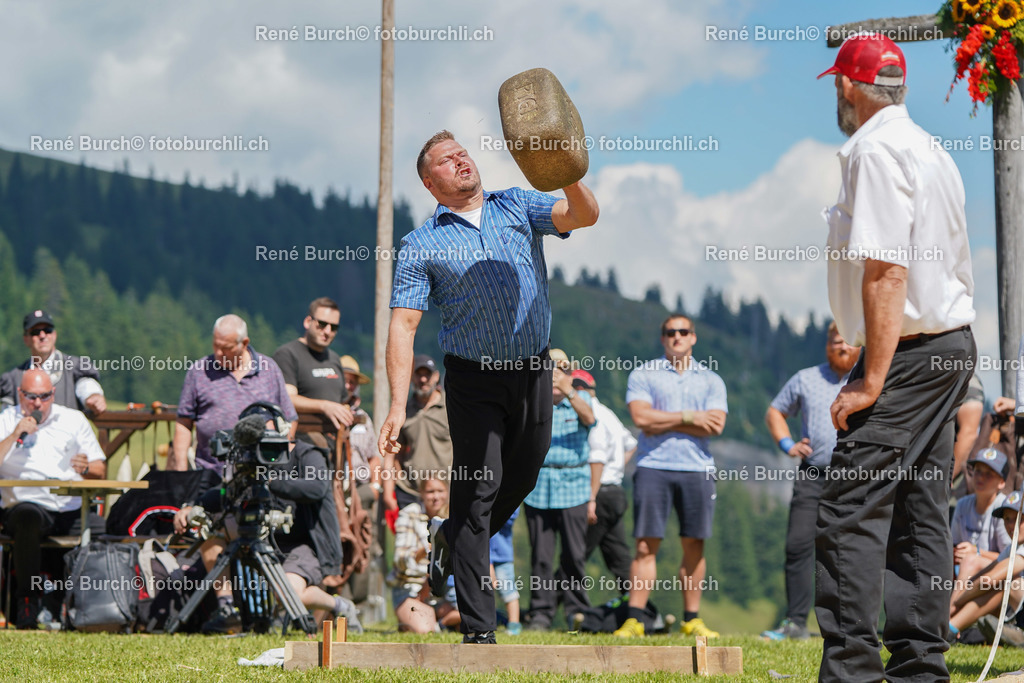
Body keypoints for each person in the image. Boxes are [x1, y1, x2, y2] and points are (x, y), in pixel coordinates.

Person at [379, 129, 599, 644]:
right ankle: (480, 631)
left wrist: (568, 171)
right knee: (477, 491)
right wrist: (395, 405)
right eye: (446, 160)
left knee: (519, 479)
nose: (461, 161)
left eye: (462, 153)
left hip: (532, 372)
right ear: (431, 183)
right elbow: (403, 326)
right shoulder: (420, 244)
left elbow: (582, 215)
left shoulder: (517, 205)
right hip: (473, 380)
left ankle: (449, 538)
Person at [815, 33, 977, 681]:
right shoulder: (931, 150)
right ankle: (918, 666)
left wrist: (870, 377)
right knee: (919, 507)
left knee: (850, 506)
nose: (838, 95)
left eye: (838, 85)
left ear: (849, 87)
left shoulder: (875, 150)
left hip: (906, 354)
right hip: (947, 345)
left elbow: (887, 269)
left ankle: (853, 670)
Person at [172, 403, 360, 635]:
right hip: (263, 540)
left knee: (288, 591)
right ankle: (227, 608)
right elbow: (224, 493)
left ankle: (341, 606)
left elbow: (317, 488)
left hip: (303, 545)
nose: (262, 437)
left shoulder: (307, 454)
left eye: (267, 429)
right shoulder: (249, 462)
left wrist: (271, 481)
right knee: (213, 534)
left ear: (282, 428)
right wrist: (192, 507)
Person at [614, 314, 727, 639]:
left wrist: (662, 419)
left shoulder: (711, 379)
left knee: (694, 544)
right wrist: (692, 417)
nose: (676, 336)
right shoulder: (644, 373)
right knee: (646, 545)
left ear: (693, 337)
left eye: (683, 332)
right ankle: (635, 619)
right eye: (669, 332)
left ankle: (691, 619)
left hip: (697, 469)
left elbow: (716, 424)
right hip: (653, 467)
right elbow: (640, 418)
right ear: (663, 338)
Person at [760, 322, 860, 641]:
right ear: (826, 345)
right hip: (813, 474)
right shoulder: (806, 378)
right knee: (799, 545)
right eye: (834, 341)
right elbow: (775, 411)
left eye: (846, 341)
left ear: (858, 344)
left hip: (857, 477)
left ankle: (851, 624)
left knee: (850, 549)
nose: (841, 347)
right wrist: (787, 445)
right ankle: (795, 623)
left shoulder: (869, 378)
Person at [0, 369, 107, 628]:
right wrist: (15, 434)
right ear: (19, 394)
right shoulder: (6, 419)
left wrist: (85, 468)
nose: (38, 403)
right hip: (23, 507)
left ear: (53, 394)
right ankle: (27, 602)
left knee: (107, 530)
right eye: (31, 397)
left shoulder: (73, 419)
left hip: (68, 507)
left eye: (44, 396)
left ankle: (96, 608)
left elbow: (99, 470)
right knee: (28, 516)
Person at [169, 314, 297, 473]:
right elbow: (184, 423)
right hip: (210, 472)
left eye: (226, 348)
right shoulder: (199, 371)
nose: (219, 353)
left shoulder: (269, 369)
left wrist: (279, 462)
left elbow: (289, 419)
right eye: (215, 345)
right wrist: (180, 471)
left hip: (260, 474)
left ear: (244, 343)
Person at [522, 353, 595, 630]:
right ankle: (540, 613)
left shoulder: (580, 399)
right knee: (541, 556)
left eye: (562, 369)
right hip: (538, 485)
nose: (556, 374)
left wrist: (568, 391)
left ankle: (578, 611)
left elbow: (589, 418)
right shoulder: (534, 401)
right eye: (551, 369)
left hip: (574, 484)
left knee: (574, 555)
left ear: (570, 372)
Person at [573, 368, 636, 596]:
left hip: (597, 492)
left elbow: (596, 457)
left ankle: (549, 609)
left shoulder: (591, 415)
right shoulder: (609, 413)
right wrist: (616, 467)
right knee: (618, 555)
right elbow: (631, 444)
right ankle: (637, 606)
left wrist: (592, 494)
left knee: (577, 552)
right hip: (615, 491)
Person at [272, 297, 354, 447]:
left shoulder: (335, 359)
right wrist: (325, 406)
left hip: (335, 448)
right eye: (322, 324)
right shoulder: (287, 354)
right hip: (299, 446)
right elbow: (287, 399)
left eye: (334, 327)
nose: (328, 331)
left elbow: (343, 402)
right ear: (307, 321)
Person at [948, 491, 1024, 645]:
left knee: (1004, 581)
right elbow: (987, 573)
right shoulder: (1013, 548)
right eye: (1007, 519)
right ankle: (947, 625)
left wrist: (957, 602)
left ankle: (948, 628)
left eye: (1019, 519)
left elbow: (989, 580)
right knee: (974, 562)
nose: (1011, 525)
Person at [0, 310, 106, 415]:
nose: (42, 336)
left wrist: (93, 396)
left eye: (47, 330)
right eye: (35, 332)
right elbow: (6, 415)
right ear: (26, 339)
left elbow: (85, 385)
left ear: (54, 335)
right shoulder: (14, 378)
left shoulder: (75, 367)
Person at [389, 477, 460, 634]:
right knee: (424, 630)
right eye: (430, 491)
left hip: (441, 592)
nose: (435, 497)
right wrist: (426, 550)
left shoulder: (454, 515)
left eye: (440, 491)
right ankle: (425, 622)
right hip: (411, 589)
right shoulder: (409, 514)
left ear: (447, 492)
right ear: (421, 493)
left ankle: (441, 623)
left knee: (470, 618)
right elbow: (400, 561)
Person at [383, 354, 452, 512]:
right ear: (411, 378)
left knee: (445, 536)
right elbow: (392, 453)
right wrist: (388, 491)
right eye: (418, 375)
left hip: (445, 492)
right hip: (410, 491)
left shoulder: (450, 408)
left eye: (427, 374)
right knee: (408, 536)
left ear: (436, 377)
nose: (422, 380)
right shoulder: (402, 411)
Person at [489, 508, 521, 635]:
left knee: (508, 591)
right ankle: (489, 623)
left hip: (502, 555)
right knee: (484, 589)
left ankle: (514, 624)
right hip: (482, 555)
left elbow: (511, 515)